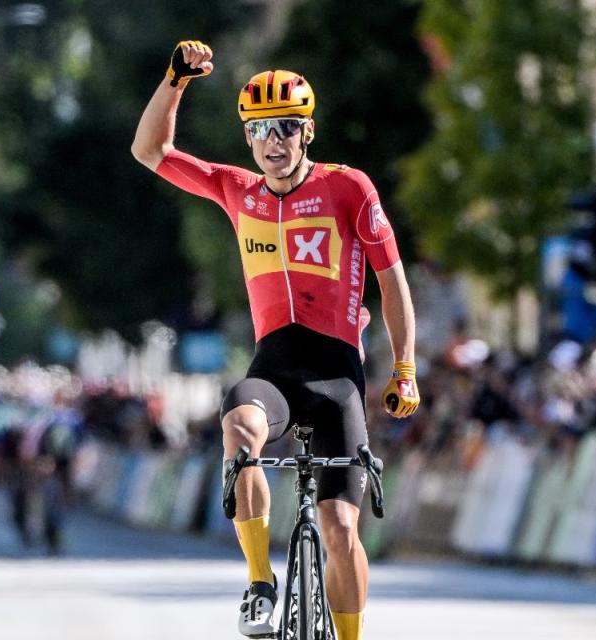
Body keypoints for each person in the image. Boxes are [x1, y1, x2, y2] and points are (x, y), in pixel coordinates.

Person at [132, 41, 420, 640]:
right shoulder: (238, 191)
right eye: (261, 129)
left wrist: (405, 369)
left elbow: (392, 281)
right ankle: (260, 582)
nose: (274, 140)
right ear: (248, 138)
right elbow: (150, 151)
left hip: (337, 378)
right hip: (275, 370)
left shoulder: (348, 187)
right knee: (239, 427)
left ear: (307, 131)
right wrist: (175, 81)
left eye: (287, 126)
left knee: (341, 530)